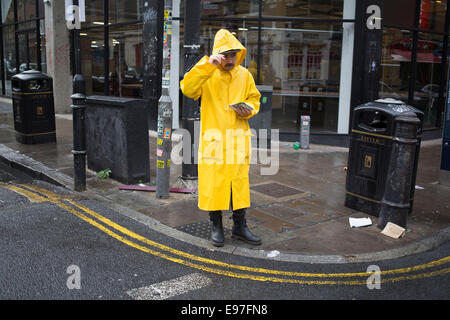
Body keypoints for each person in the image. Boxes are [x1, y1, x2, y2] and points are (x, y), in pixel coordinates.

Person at [180, 29, 262, 247]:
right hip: (214, 140)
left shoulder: (244, 75)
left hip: (238, 139)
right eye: (226, 55)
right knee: (215, 185)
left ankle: (240, 226)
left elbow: (255, 98)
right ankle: (216, 226)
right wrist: (208, 64)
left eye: (234, 55)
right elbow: (187, 88)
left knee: (239, 185)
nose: (230, 60)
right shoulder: (207, 73)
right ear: (218, 54)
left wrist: (250, 109)